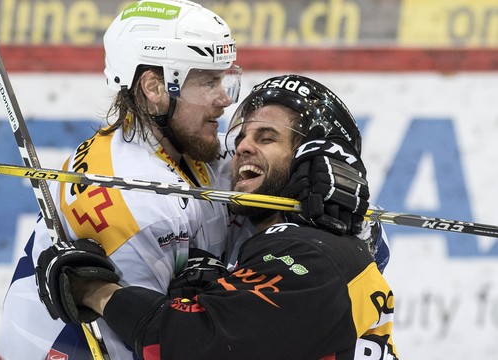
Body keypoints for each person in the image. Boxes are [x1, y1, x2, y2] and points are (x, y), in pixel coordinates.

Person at [0, 0, 388, 358]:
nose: (225, 99)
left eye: (225, 80)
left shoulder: (194, 149)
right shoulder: (139, 204)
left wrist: (346, 197)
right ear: (154, 87)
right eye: (207, 82)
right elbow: (156, 346)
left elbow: (297, 194)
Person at [35, 75, 399, 360]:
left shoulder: (309, 254)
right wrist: (212, 295)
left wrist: (94, 291)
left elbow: (186, 348)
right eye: (243, 136)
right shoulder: (327, 244)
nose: (241, 146)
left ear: (311, 162)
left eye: (267, 137)